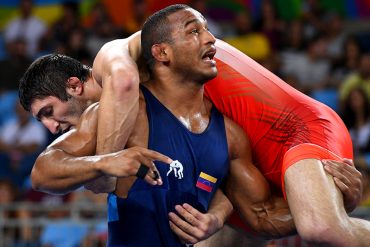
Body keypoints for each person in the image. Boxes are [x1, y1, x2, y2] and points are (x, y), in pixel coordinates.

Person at [19, 4, 365, 247]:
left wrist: (106, 165)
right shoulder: (164, 110)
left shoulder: (114, 62)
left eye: (48, 112)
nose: (51, 126)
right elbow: (259, 218)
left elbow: (123, 82)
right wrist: (216, 215)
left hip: (298, 129)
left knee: (321, 226)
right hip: (254, 149)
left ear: (75, 86)